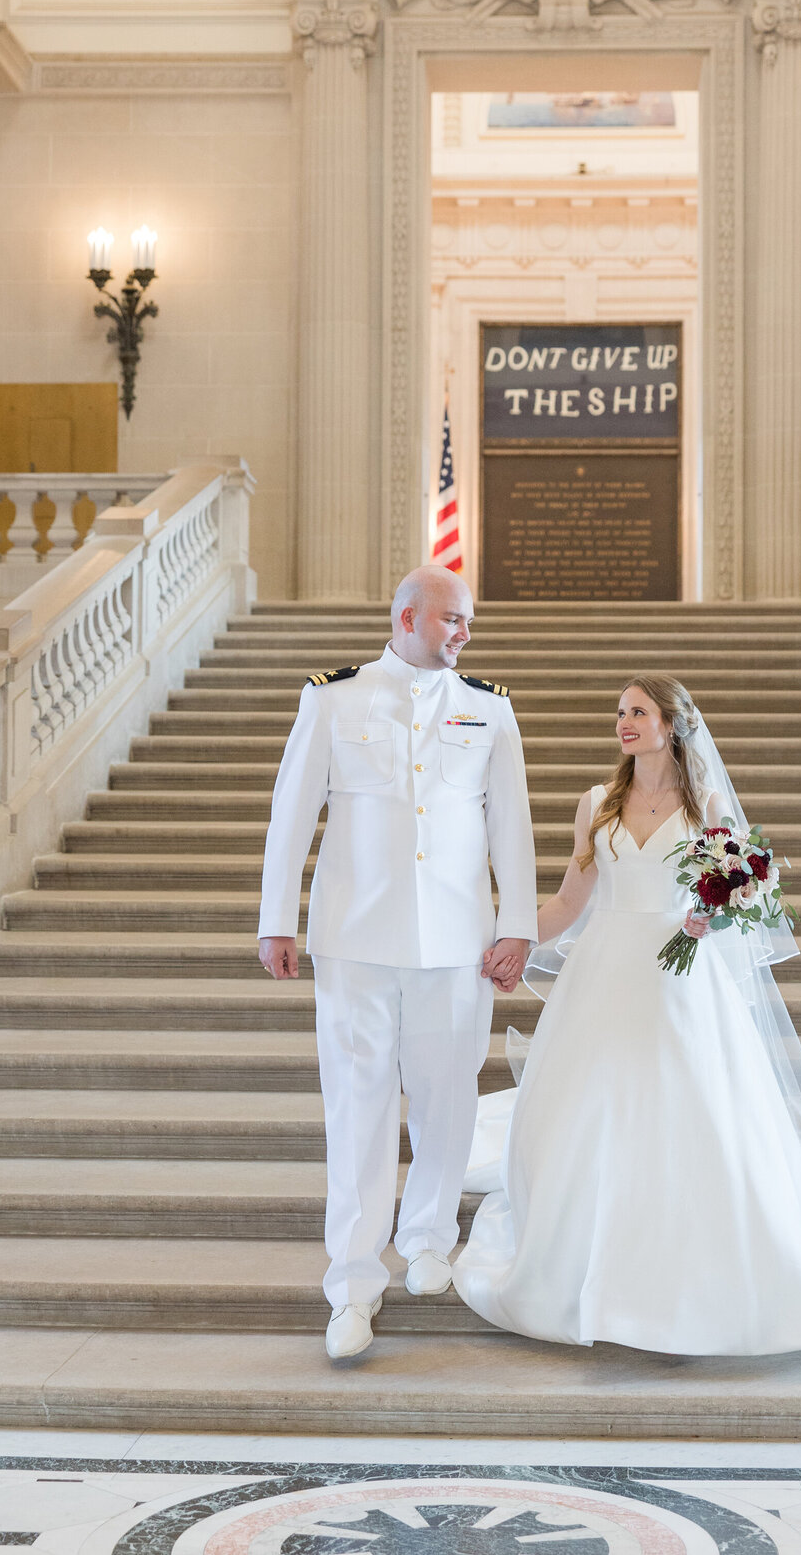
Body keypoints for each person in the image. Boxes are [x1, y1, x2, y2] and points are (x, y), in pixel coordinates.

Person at [453, 673, 801, 1356]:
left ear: (671, 723)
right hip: (604, 975)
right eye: (620, 712)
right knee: (593, 1110)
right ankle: (585, 1256)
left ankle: (686, 1266)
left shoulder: (708, 806)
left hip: (680, 980)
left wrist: (710, 912)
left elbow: (739, 894)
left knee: (690, 1110)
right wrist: (506, 937)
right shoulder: (597, 804)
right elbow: (570, 901)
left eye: (637, 711)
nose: (623, 723)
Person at [257, 566, 537, 1360]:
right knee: (357, 1107)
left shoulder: (489, 708)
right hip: (355, 941)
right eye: (453, 620)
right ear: (409, 616)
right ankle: (350, 1284)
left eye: (469, 623)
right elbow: (292, 812)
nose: (464, 634)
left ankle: (427, 1240)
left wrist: (518, 922)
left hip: (457, 944)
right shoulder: (334, 698)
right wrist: (276, 917)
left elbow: (509, 828)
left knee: (448, 1098)